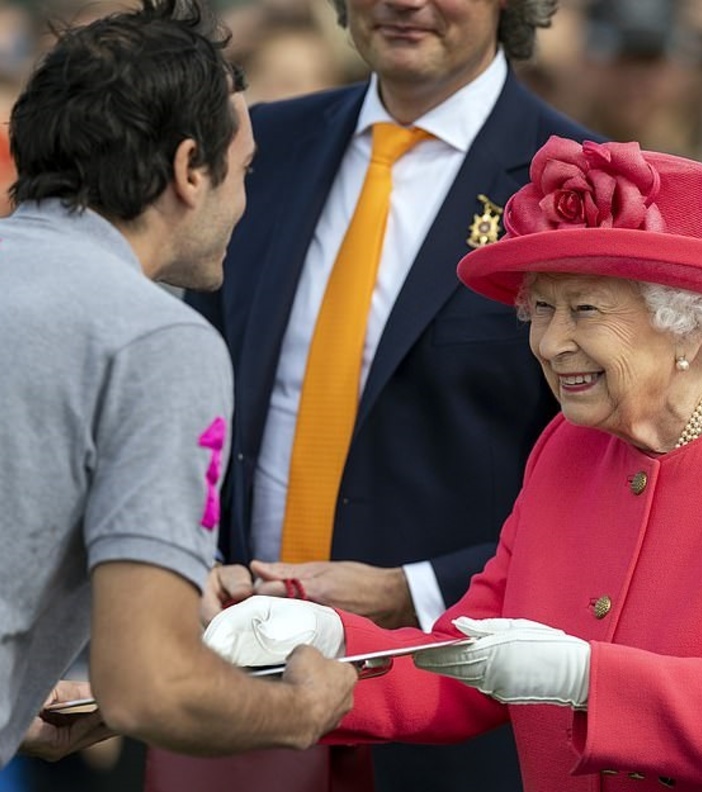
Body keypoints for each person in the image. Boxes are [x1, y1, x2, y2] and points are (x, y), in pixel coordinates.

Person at [204, 134, 702, 790]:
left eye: (585, 310)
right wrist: (325, 645)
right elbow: (471, 657)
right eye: (541, 309)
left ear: (690, 323)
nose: (550, 342)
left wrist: (586, 679)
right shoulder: (569, 446)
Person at [143, 1, 602, 791]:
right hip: (239, 686)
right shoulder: (260, 143)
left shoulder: (576, 184)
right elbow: (192, 398)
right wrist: (191, 566)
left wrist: (411, 591)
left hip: (448, 704)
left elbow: (607, 484)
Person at [0, 0, 356, 772]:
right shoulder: (159, 338)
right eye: (245, 171)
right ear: (191, 169)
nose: (246, 201)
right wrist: (306, 708)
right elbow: (150, 687)